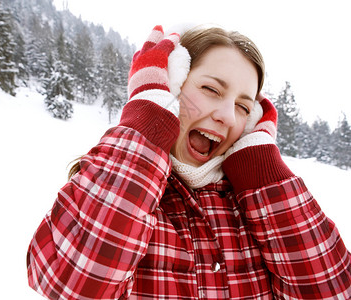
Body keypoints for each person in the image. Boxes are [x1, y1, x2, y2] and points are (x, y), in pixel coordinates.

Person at [26, 25, 351, 299]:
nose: (226, 116)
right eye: (211, 89)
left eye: (242, 106)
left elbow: (332, 291)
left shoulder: (258, 210)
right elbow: (72, 283)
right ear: (171, 86)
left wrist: (262, 170)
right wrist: (147, 120)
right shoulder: (113, 186)